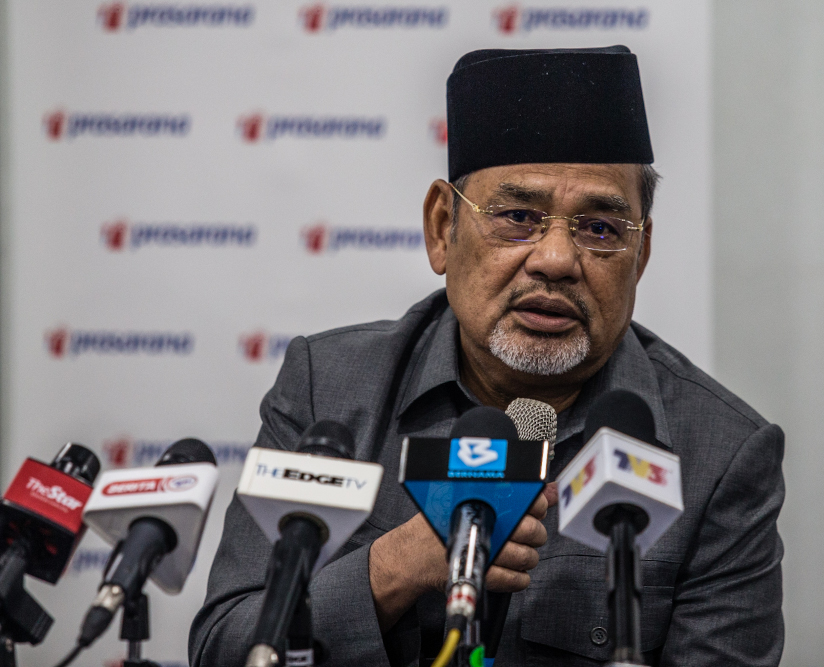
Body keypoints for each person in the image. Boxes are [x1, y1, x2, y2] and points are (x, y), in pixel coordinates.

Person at [190, 45, 784, 667]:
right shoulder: (328, 391)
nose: (556, 259)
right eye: (518, 217)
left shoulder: (721, 454)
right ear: (442, 227)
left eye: (601, 230)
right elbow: (225, 647)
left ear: (642, 255)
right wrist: (394, 569)